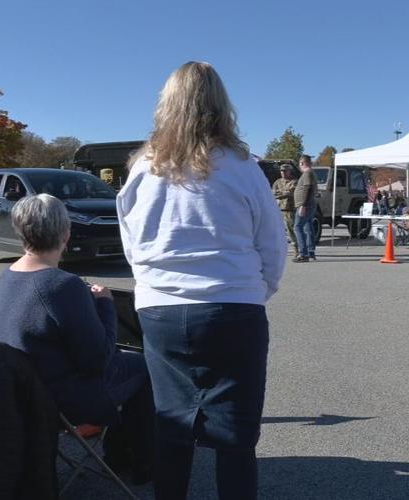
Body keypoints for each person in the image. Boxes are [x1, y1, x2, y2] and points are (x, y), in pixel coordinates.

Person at [116, 61, 286, 500]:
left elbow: (131, 242)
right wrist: (254, 290)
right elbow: (272, 244)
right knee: (235, 434)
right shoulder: (243, 167)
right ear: (221, 105)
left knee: (171, 424)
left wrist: (155, 283)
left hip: (160, 310)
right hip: (233, 305)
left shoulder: (143, 169)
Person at [0, 194, 155, 483]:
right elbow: (97, 361)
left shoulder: (8, 275)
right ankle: (135, 462)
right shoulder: (62, 285)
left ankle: (124, 454)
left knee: (130, 366)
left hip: (16, 395)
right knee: (144, 367)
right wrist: (105, 305)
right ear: (66, 233)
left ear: (20, 231)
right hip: (58, 399)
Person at [293, 154, 318, 262]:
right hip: (309, 204)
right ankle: (310, 251)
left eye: (299, 164)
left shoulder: (307, 174)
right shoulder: (310, 173)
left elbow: (308, 189)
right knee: (308, 228)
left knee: (297, 227)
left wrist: (303, 205)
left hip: (305, 205)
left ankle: (303, 254)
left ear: (302, 163)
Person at [272, 164, 298, 258]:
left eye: (285, 171)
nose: (283, 173)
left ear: (289, 171)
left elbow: (290, 193)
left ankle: (296, 250)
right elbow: (273, 192)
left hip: (289, 209)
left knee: (291, 231)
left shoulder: (294, 182)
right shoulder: (278, 182)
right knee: (278, 231)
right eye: (281, 171)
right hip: (279, 209)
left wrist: (279, 193)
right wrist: (279, 193)